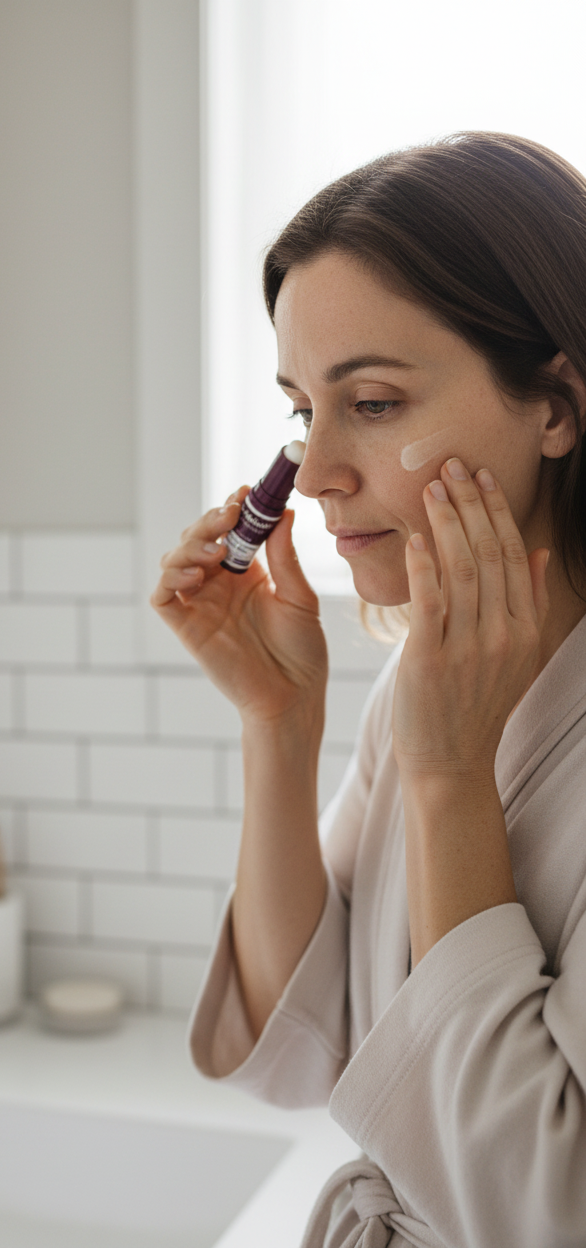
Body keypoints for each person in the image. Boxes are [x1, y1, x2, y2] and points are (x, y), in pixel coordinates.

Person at [150, 132, 586, 1248]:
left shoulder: (442, 720)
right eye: (305, 412)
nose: (320, 474)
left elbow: (543, 1205)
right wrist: (278, 725)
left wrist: (449, 782)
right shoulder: (420, 685)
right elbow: (310, 1048)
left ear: (556, 405)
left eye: (376, 403)